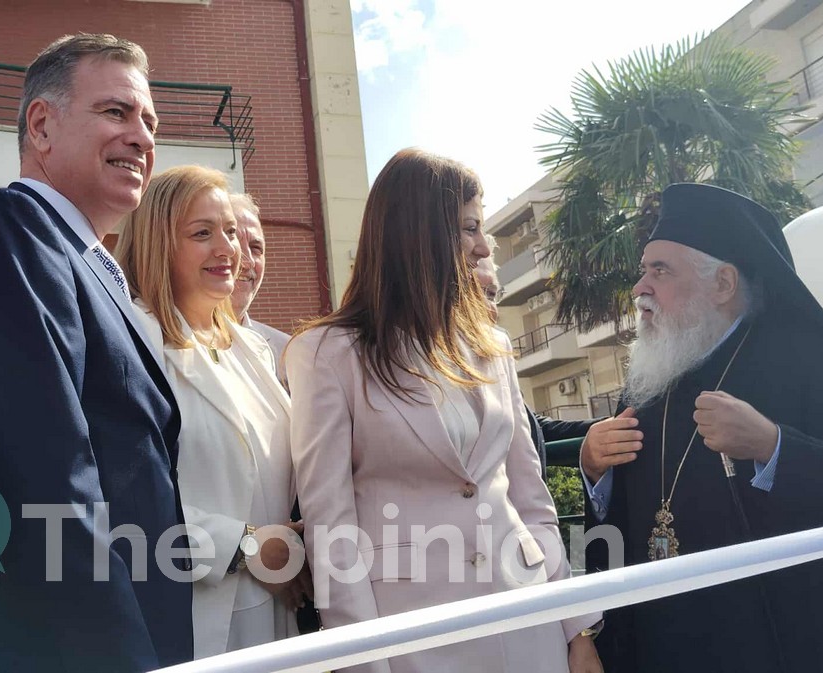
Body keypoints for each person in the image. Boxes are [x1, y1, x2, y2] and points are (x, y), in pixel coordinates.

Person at [0, 33, 191, 672]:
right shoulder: (11, 228)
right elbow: (48, 485)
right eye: (116, 112)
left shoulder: (89, 263)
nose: (142, 138)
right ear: (41, 126)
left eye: (150, 123)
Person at [286, 148, 602, 673]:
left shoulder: (494, 347)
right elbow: (330, 527)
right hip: (412, 636)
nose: (484, 246)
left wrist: (578, 627)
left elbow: (531, 498)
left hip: (528, 619)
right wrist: (364, 663)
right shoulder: (327, 354)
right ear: (418, 233)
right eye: (469, 228)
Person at [580, 183, 823, 672]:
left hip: (776, 645)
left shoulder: (815, 364)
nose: (640, 288)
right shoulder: (649, 380)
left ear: (722, 284)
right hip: (660, 643)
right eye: (643, 270)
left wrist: (775, 448)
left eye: (660, 271)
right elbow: (619, 519)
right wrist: (594, 470)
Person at [115, 165, 307, 658]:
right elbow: (125, 492)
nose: (227, 249)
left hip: (277, 606)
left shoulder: (252, 349)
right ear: (159, 244)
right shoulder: (135, 339)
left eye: (230, 232)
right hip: (196, 614)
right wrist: (247, 547)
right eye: (202, 233)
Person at [473, 244, 602, 474]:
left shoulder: (493, 368)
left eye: (491, 294)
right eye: (469, 291)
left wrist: (614, 426)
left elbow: (533, 428)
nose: (485, 306)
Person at [229, 193, 290, 386]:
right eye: (234, 244)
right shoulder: (162, 344)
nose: (247, 262)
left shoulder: (288, 353)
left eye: (256, 248)